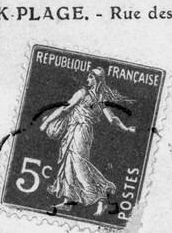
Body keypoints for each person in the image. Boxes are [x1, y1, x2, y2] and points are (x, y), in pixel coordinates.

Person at [39, 67, 137, 216]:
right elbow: (67, 108)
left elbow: (111, 119)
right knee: (69, 162)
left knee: (79, 163)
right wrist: (126, 128)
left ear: (97, 80)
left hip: (81, 131)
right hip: (76, 131)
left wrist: (47, 122)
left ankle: (101, 196)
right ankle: (68, 201)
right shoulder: (95, 96)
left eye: (91, 77)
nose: (87, 80)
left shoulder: (91, 96)